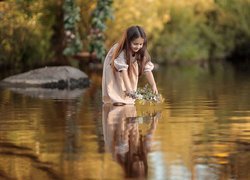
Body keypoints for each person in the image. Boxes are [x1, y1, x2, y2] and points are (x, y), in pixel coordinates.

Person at [102, 25, 158, 105]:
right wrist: (128, 89)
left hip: (128, 65)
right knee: (117, 84)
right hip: (113, 67)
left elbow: (148, 70)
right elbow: (123, 71)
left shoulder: (141, 51)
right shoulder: (121, 51)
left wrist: (153, 85)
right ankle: (117, 99)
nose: (138, 46)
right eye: (135, 44)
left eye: (140, 44)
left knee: (129, 90)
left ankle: (128, 97)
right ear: (128, 42)